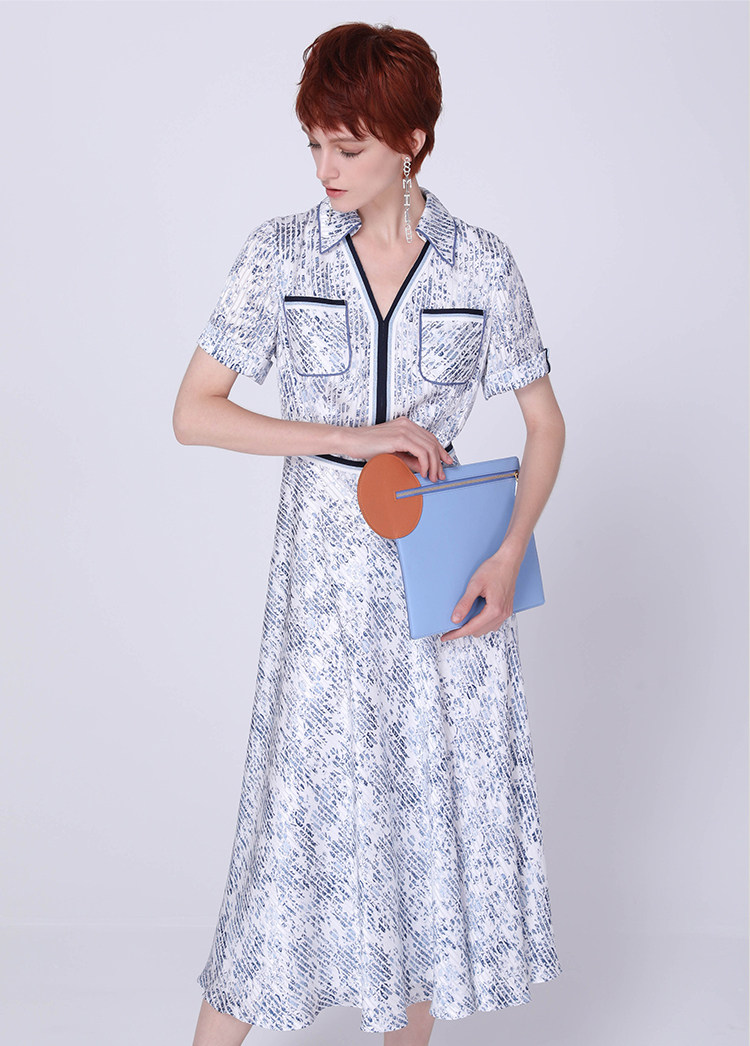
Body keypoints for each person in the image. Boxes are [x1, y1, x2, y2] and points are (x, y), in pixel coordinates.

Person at [174, 21, 566, 1046]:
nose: (326, 168)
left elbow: (545, 424)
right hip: (322, 600)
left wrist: (508, 553)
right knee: (286, 842)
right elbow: (194, 412)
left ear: (412, 142)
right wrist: (347, 434)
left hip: (442, 594)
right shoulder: (279, 253)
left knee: (419, 848)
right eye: (315, 143)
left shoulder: (481, 264)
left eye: (348, 146)